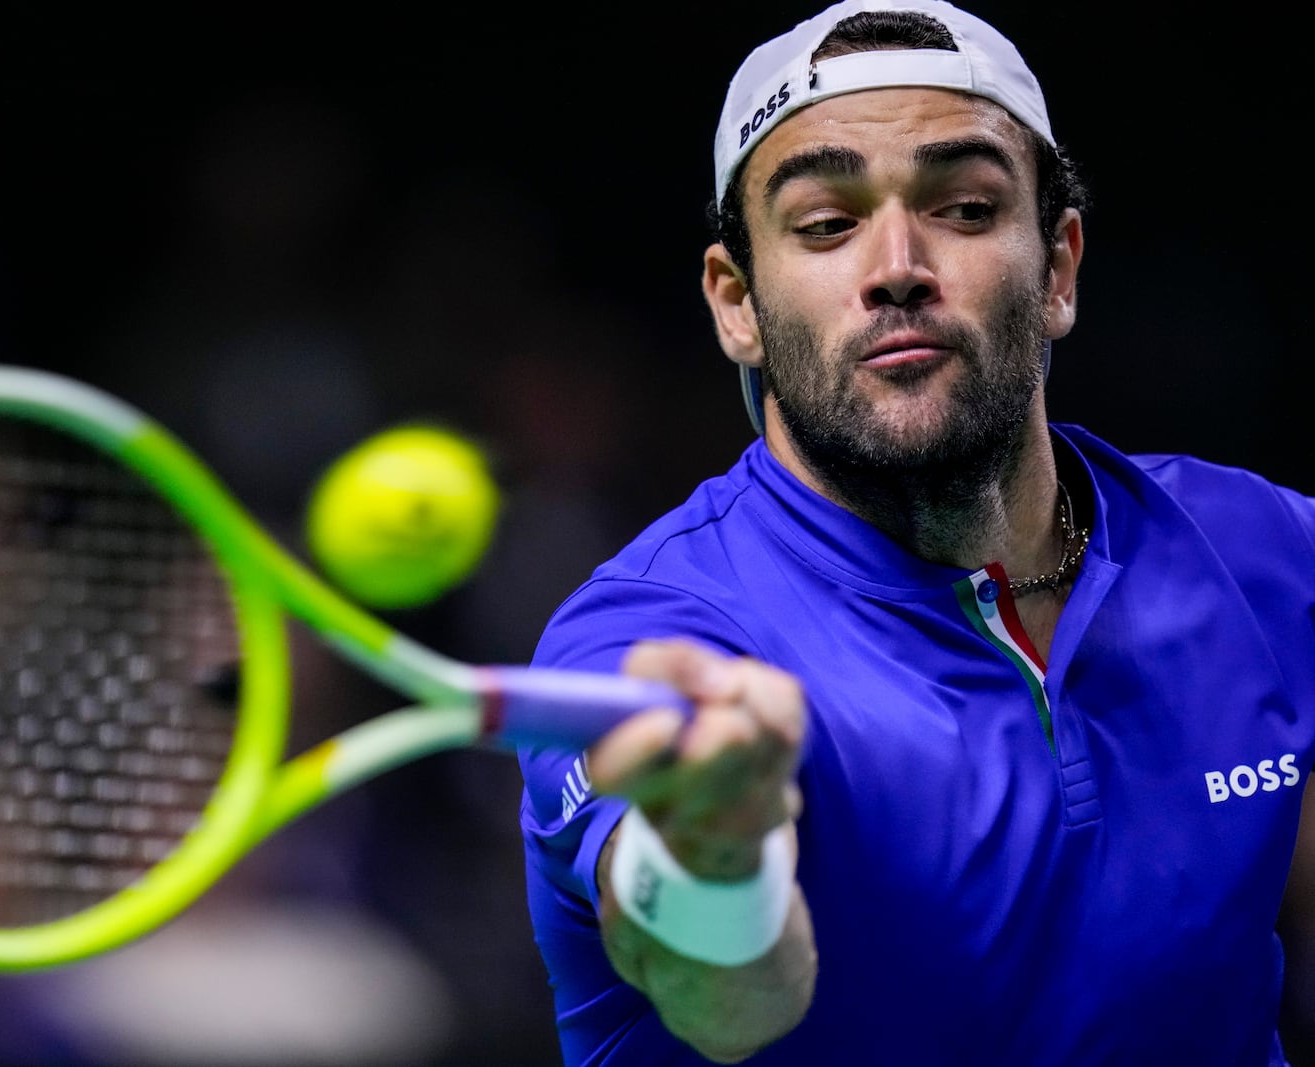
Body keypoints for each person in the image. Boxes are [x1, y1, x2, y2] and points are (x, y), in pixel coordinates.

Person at [515, 1, 1315, 1064]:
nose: (896, 262)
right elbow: (727, 999)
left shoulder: (1263, 552)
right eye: (824, 225)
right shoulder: (656, 639)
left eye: (966, 207)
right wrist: (716, 850)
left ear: (1059, 268)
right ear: (735, 303)